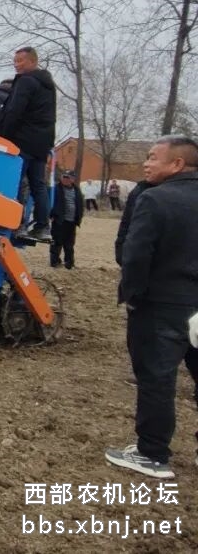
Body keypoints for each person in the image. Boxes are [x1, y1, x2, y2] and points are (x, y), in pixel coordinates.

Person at [105, 135, 198, 480]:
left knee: (157, 379)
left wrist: (133, 296)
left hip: (161, 305)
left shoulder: (154, 199)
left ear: (177, 164)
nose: (146, 163)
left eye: (153, 157)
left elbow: (136, 254)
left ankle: (152, 453)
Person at [0, 47, 57, 242]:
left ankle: (18, 224)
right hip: (41, 143)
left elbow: (14, 111)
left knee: (15, 182)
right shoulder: (48, 85)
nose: (16, 64)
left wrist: (3, 137)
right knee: (38, 185)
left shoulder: (26, 81)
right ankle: (43, 226)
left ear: (32, 61)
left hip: (22, 141)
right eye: (15, 61)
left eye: (20, 60)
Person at [49, 170, 82, 269]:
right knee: (57, 242)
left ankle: (69, 263)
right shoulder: (55, 189)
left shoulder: (77, 190)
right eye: (64, 177)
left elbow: (80, 204)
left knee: (70, 243)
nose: (65, 179)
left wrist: (79, 217)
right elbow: (49, 202)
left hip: (72, 222)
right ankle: (54, 262)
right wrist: (51, 215)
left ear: (73, 179)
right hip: (59, 220)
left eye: (68, 177)